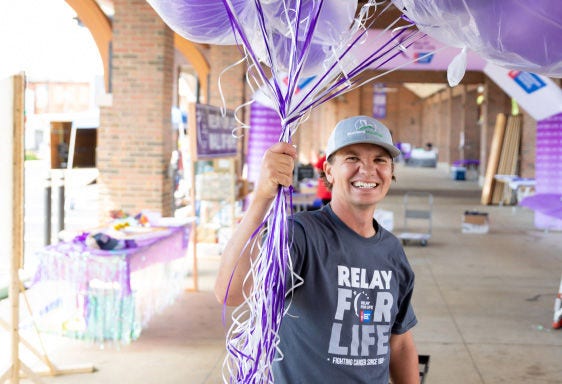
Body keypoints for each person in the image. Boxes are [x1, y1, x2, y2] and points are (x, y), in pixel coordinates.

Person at [215, 115, 419, 383]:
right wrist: (262, 197)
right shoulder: (300, 235)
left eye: (380, 160)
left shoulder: (392, 251)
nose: (368, 170)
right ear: (329, 171)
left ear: (391, 172)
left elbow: (399, 341)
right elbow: (230, 291)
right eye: (352, 158)